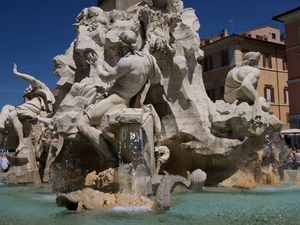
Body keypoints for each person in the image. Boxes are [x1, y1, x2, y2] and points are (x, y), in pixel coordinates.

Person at [77, 30, 162, 157]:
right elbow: (146, 49)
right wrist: (152, 42)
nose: (117, 49)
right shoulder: (146, 58)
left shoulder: (126, 62)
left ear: (122, 45)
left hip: (116, 100)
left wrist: (97, 64)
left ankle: (110, 157)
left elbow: (105, 77)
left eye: (118, 46)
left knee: (82, 124)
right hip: (127, 98)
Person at [0, 64, 55, 154]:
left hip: (33, 110)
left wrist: (16, 73)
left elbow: (32, 79)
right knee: (6, 107)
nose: (27, 90)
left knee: (13, 113)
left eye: (28, 89)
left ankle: (21, 143)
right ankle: (1, 123)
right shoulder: (31, 99)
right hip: (25, 109)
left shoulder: (41, 89)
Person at [224, 52, 270, 118]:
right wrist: (257, 101)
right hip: (243, 98)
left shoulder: (232, 71)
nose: (258, 63)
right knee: (262, 99)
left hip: (229, 100)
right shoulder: (254, 71)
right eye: (257, 61)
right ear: (254, 61)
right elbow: (245, 85)